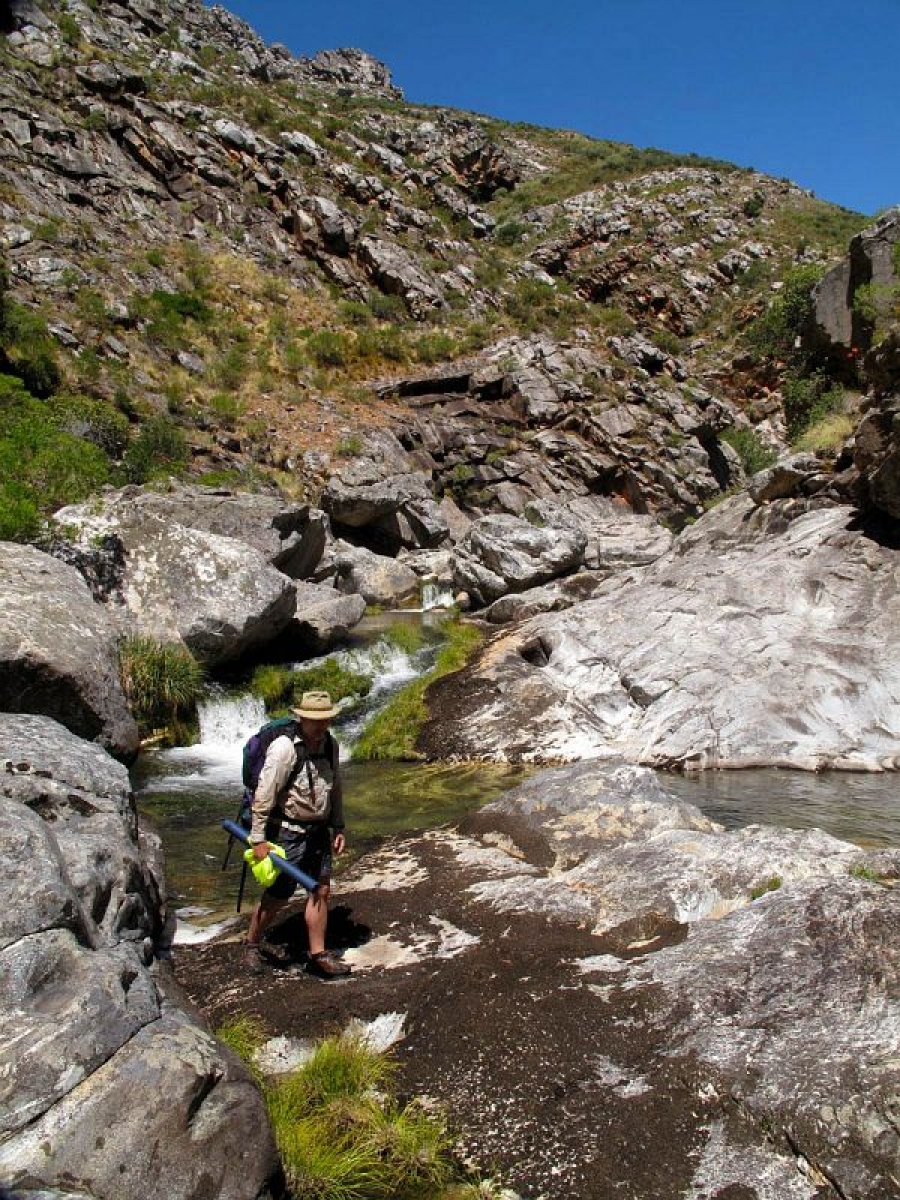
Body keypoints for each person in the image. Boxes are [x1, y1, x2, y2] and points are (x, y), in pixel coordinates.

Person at [244, 690, 350, 978]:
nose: (320, 725)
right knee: (279, 894)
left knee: (321, 890)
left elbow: (335, 787)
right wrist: (259, 839)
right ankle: (252, 943)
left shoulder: (330, 745)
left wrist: (338, 826)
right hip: (289, 832)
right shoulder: (284, 748)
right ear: (301, 717)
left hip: (318, 832)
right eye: (315, 720)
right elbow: (264, 796)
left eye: (325, 719)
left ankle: (319, 954)